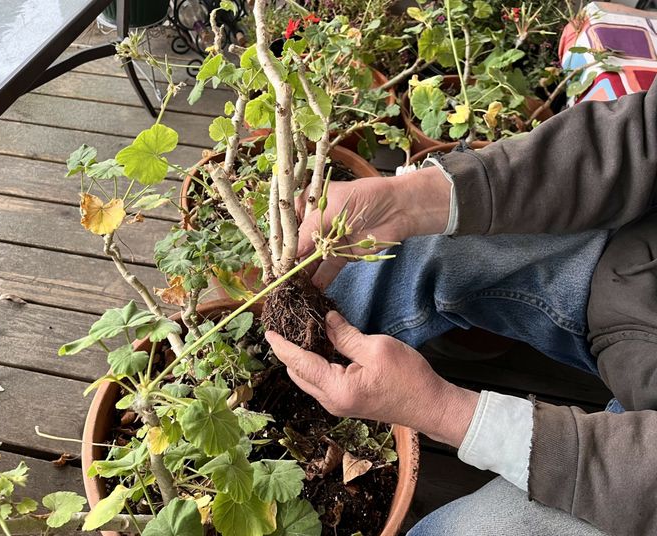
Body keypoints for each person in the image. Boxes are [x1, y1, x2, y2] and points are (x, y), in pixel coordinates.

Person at [265, 79, 657, 536]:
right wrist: (408, 201)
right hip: (632, 273)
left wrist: (445, 411)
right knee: (376, 260)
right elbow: (641, 134)